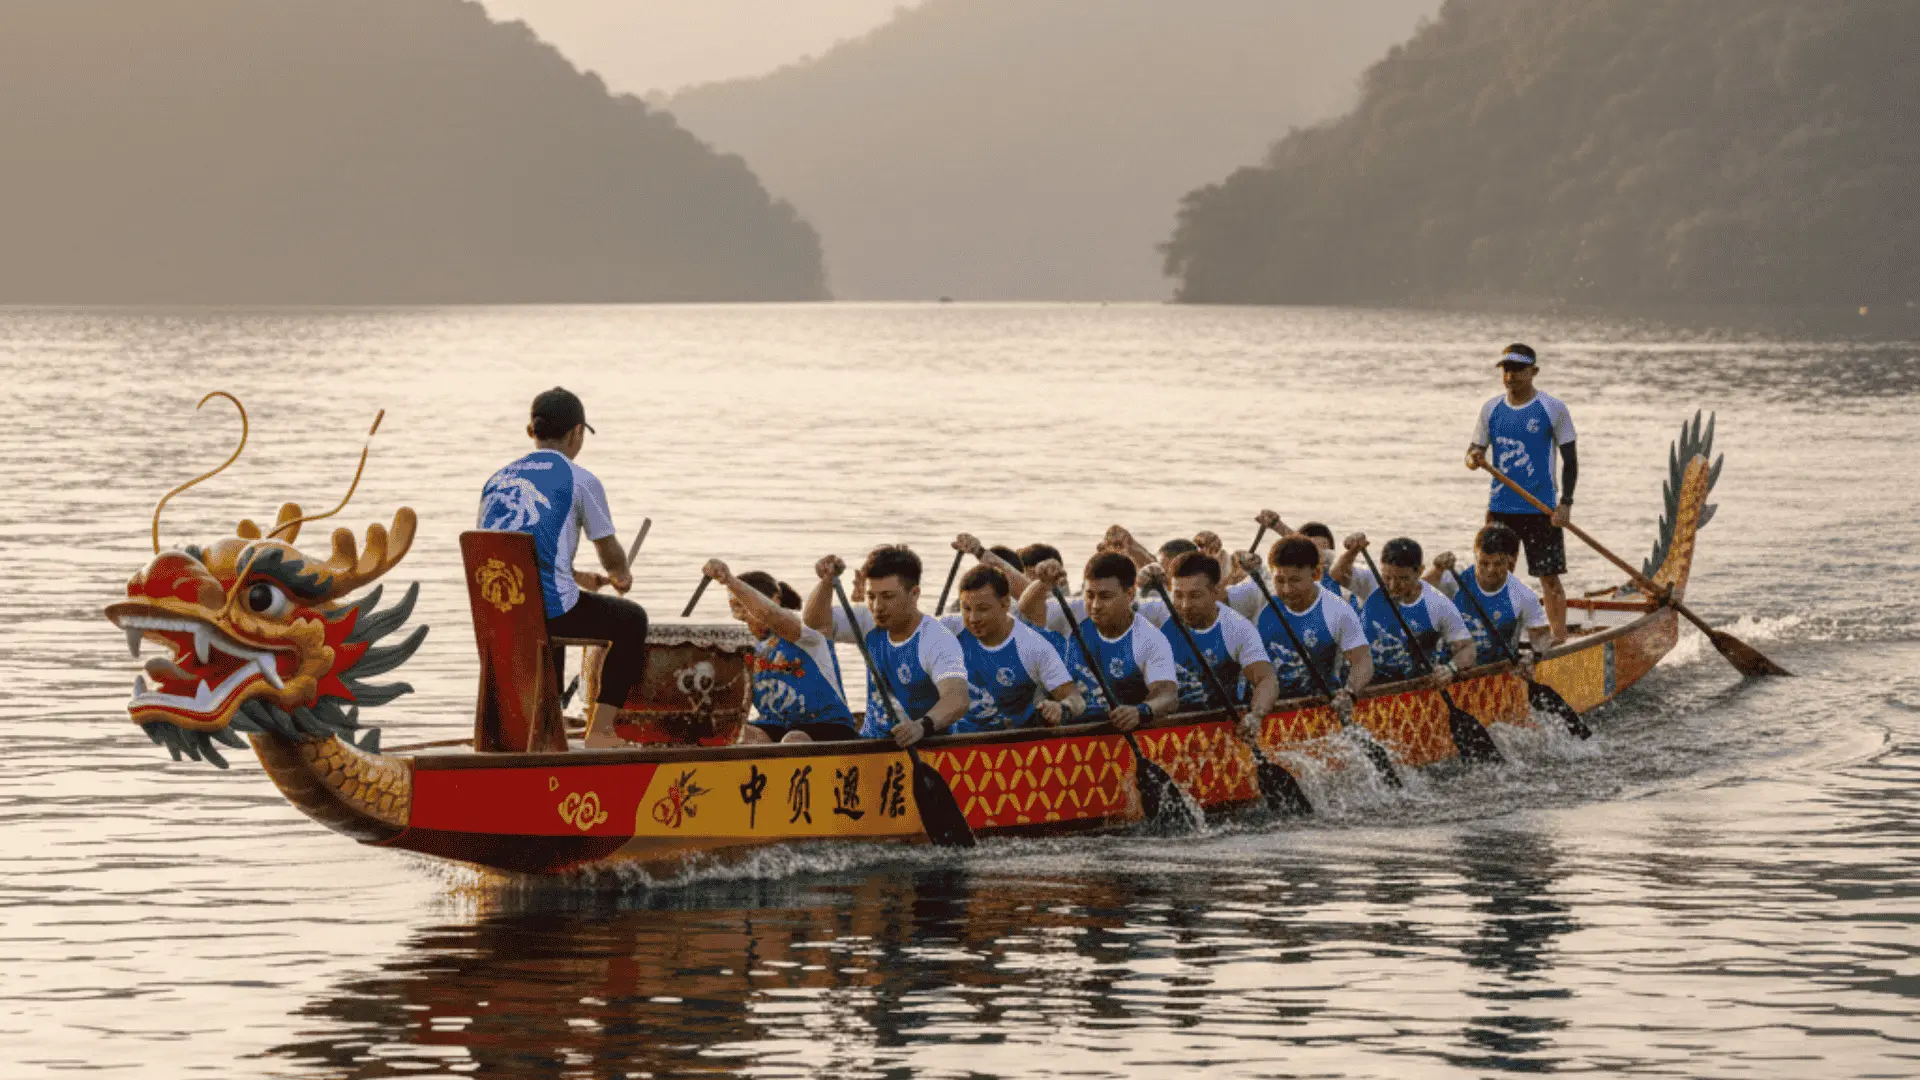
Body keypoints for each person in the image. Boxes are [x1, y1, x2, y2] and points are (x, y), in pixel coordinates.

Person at [476, 387, 645, 749]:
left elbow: (515, 554)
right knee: (632, 620)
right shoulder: (581, 479)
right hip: (547, 612)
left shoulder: (495, 481)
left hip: (497, 610)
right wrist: (620, 575)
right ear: (577, 433)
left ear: (530, 432)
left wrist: (580, 578)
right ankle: (600, 731)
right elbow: (612, 557)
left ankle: (534, 730)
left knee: (557, 603)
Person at [803, 545, 969, 748]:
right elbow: (815, 623)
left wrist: (921, 726)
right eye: (872, 596)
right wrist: (827, 582)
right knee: (798, 738)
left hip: (924, 745)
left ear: (914, 594)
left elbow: (957, 698)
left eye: (888, 596)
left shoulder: (935, 639)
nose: (877, 607)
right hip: (871, 744)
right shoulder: (867, 622)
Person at [1466, 342, 1578, 642]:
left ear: (1534, 371)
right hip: (1501, 507)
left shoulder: (1553, 409)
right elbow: (1473, 450)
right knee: (1492, 575)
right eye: (1506, 370)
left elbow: (1570, 460)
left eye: (1517, 370)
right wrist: (1474, 459)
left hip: (1541, 509)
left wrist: (1565, 504)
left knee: (1549, 578)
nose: (1511, 376)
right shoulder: (1491, 409)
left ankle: (1559, 639)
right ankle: (1494, 637)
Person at [704, 560, 859, 744]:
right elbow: (739, 708)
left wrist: (730, 581)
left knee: (793, 739)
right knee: (738, 735)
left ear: (775, 600)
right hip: (775, 726)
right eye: (736, 609)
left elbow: (771, 616)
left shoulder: (806, 635)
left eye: (744, 606)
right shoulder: (747, 650)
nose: (743, 617)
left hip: (830, 727)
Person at [940, 564, 1086, 732]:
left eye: (983, 609)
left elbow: (1076, 699)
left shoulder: (1033, 646)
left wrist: (1062, 708)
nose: (973, 618)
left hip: (1012, 741)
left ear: (1006, 604)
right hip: (958, 737)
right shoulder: (950, 628)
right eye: (966, 609)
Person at [1141, 552, 1278, 731]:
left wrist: (1257, 714)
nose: (1184, 605)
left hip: (1217, 721)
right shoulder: (1158, 613)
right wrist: (1141, 578)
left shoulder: (1236, 628)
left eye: (1195, 595)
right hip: (1163, 718)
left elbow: (1266, 678)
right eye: (1178, 595)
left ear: (1216, 592)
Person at [1234, 536, 1372, 708]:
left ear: (1316, 574)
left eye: (1295, 581)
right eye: (1280, 580)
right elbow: (1212, 603)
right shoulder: (1261, 594)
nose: (1286, 590)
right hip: (1259, 706)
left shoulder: (1337, 610)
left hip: (1314, 706)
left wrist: (1350, 693)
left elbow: (1363, 661)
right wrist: (1236, 568)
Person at [1057, 552, 1179, 732]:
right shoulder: (1073, 615)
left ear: (1130, 594)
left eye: (1105, 597)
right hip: (1073, 727)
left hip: (1117, 731)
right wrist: (1041, 583)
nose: (1096, 606)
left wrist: (1141, 711)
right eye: (1090, 595)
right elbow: (1024, 613)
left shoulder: (1149, 639)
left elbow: (1168, 696)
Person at [1337, 535, 1476, 687]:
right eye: (1387, 576)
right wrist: (1353, 551)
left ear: (1420, 571)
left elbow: (1468, 648)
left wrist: (1450, 669)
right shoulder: (1372, 582)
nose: (1392, 585)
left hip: (1410, 686)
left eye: (1402, 578)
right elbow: (1337, 575)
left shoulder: (1437, 604)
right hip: (1362, 682)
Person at [1427, 523, 1552, 669]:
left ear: (1511, 559)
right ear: (1476, 553)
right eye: (1484, 563)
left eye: (1498, 563)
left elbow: (1541, 638)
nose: (1490, 570)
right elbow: (1412, 595)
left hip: (1494, 673)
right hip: (1448, 670)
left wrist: (1533, 658)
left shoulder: (1523, 596)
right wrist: (1436, 570)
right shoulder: (1455, 578)